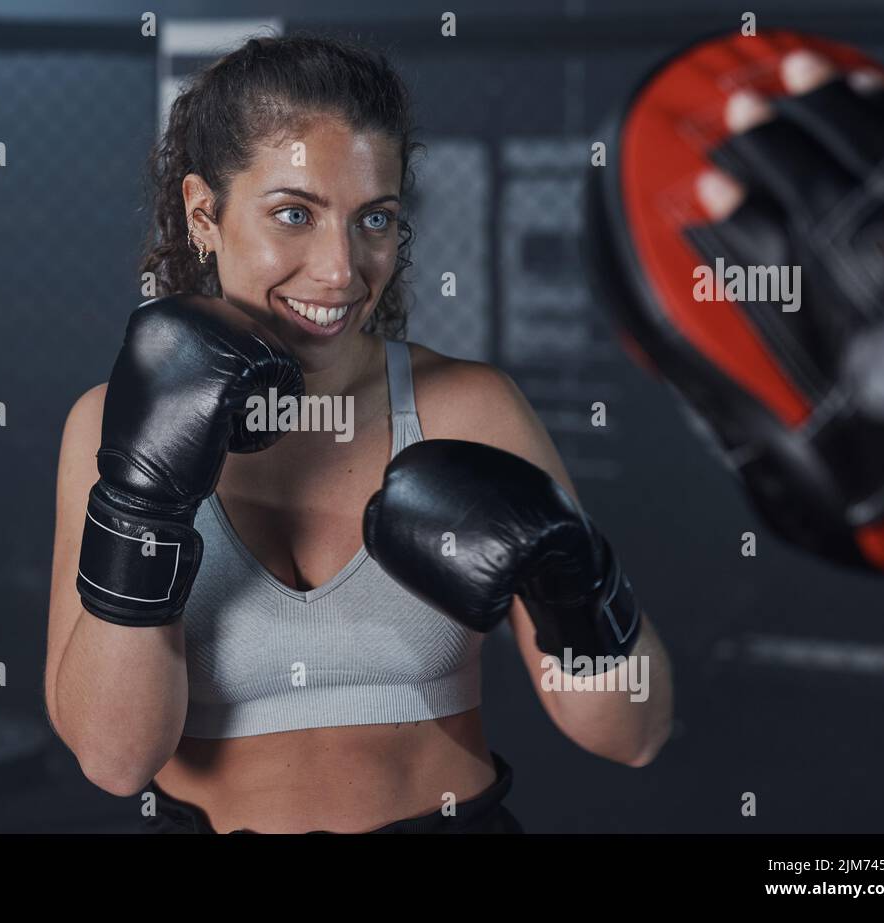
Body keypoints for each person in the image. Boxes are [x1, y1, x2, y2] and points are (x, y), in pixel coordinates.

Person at [44, 33, 673, 834]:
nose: (342, 269)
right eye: (294, 214)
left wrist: (576, 586)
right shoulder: (103, 426)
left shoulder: (466, 410)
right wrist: (143, 507)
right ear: (204, 212)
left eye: (373, 218)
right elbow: (114, 758)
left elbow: (635, 734)